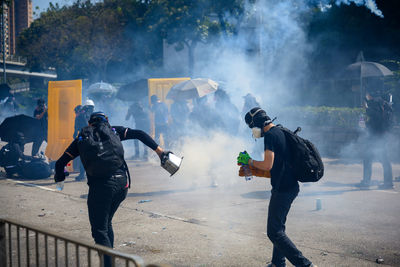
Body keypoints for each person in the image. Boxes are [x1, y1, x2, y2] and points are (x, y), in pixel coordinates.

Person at [54, 112, 170, 267]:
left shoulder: (82, 139)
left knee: (99, 231)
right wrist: (160, 152)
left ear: (90, 124)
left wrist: (60, 177)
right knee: (106, 223)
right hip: (122, 185)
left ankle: (108, 265)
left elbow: (59, 163)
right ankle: (110, 259)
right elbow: (140, 134)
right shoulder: (114, 131)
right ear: (106, 121)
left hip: (101, 187)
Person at [238, 107, 316, 267]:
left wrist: (249, 161)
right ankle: (278, 262)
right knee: (278, 228)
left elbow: (267, 165)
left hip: (283, 189)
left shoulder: (270, 136)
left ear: (257, 123)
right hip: (289, 185)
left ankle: (305, 265)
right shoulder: (279, 130)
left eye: (251, 127)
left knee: (274, 232)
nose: (252, 131)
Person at [357, 92, 393, 189]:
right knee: (382, 159)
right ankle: (387, 182)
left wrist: (366, 109)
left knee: (369, 158)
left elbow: (376, 117)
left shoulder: (375, 102)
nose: (366, 95)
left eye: (367, 93)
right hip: (380, 134)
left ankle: (367, 182)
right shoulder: (381, 102)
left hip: (376, 135)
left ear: (369, 94)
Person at [73, 105, 88, 181]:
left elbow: (84, 128)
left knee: (83, 157)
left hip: (85, 139)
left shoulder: (81, 116)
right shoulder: (83, 116)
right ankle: (83, 174)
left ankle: (82, 175)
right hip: (86, 138)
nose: (76, 113)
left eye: (76, 112)